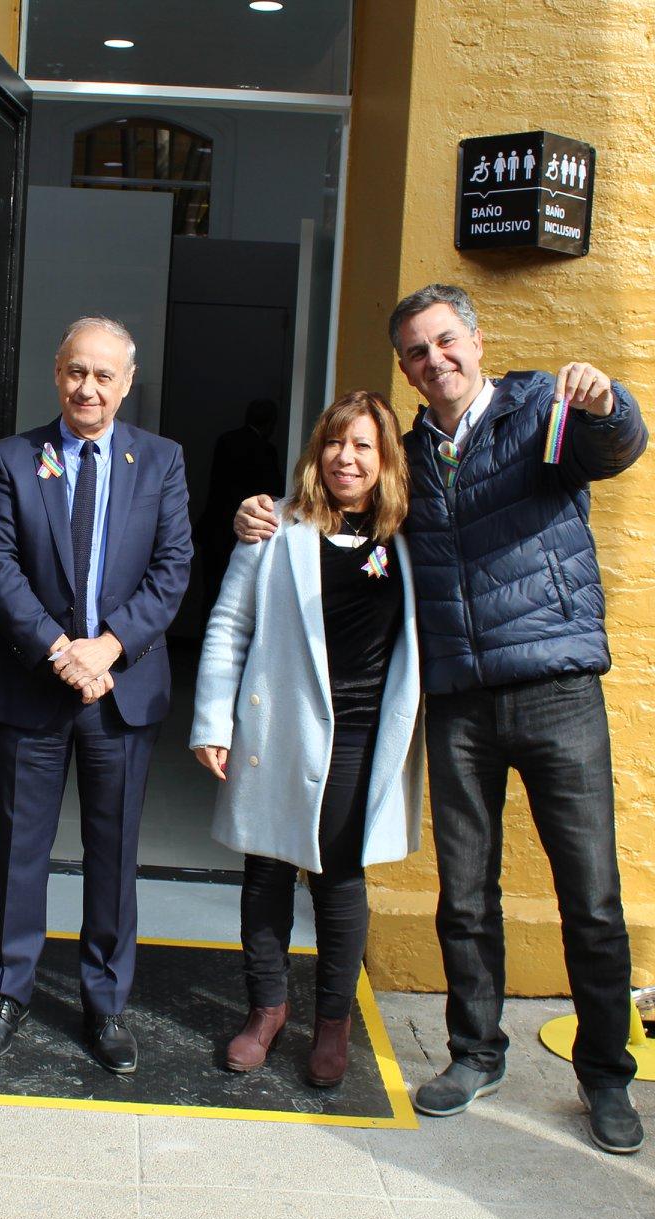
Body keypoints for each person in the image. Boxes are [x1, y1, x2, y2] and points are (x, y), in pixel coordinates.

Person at [235, 283, 650, 1153]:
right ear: (407, 368)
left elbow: (614, 448)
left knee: (592, 898)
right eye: (418, 352)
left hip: (556, 686)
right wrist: (262, 513)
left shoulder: (541, 408)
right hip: (459, 700)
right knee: (465, 895)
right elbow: (341, 509)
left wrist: (608, 404)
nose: (437, 360)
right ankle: (475, 1052)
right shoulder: (409, 454)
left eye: (446, 341)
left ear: (476, 338)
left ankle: (606, 1076)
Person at [0, 316, 191, 1075]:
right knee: (21, 849)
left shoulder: (160, 461)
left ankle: (106, 1003)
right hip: (35, 686)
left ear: (128, 384)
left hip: (121, 693)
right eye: (74, 372)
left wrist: (109, 647)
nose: (86, 388)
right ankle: (6, 993)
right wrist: (61, 651)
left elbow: (173, 569)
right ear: (55, 374)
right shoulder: (11, 460)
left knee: (113, 854)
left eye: (103, 375)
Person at [190, 391, 423, 1087]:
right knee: (265, 871)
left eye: (363, 447)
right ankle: (265, 1011)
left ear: (384, 463)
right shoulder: (275, 530)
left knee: (339, 877)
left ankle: (333, 1022)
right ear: (316, 452)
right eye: (335, 443)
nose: (346, 458)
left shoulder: (407, 541)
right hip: (279, 728)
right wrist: (213, 720)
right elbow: (229, 627)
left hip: (361, 733)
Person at [193, 397, 283, 627]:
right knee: (238, 601)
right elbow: (273, 494)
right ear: (271, 424)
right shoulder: (265, 450)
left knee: (212, 593)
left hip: (215, 530)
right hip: (248, 533)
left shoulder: (227, 440)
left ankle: (203, 643)